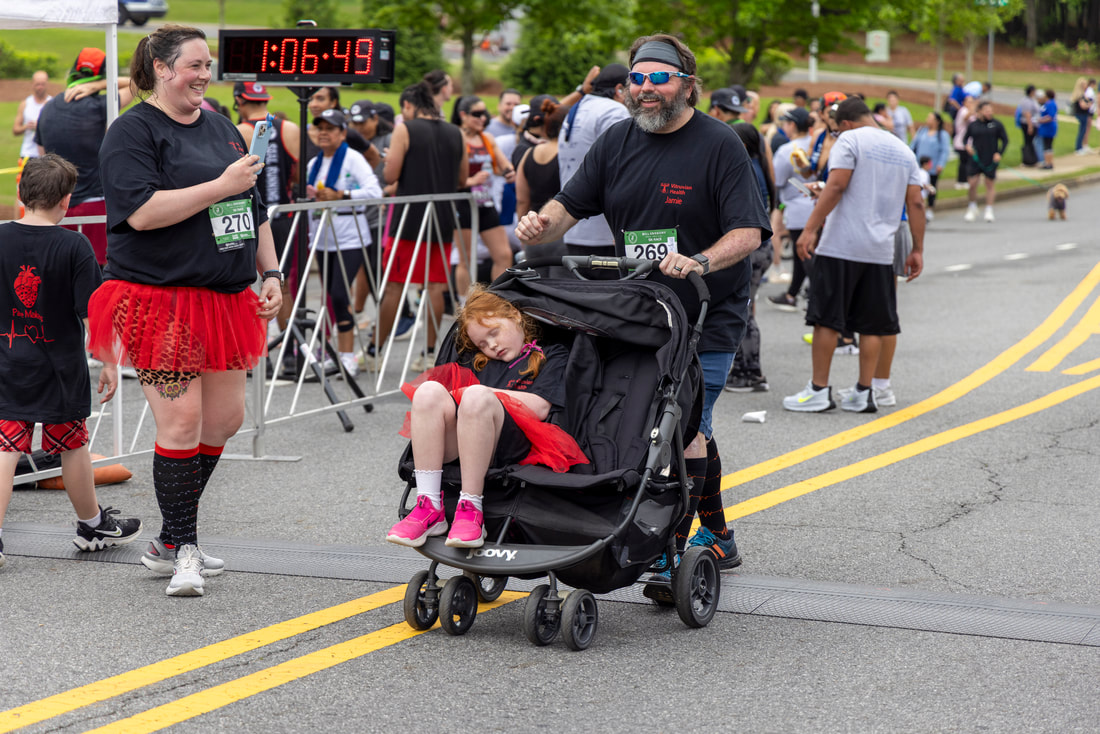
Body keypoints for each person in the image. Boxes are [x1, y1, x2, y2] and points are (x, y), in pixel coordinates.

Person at [517, 33, 771, 570]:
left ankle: (667, 548)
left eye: (659, 78)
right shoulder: (616, 140)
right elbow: (568, 206)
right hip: (639, 311)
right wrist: (541, 225)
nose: (646, 88)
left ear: (688, 85)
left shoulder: (719, 143)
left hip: (705, 311)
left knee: (684, 426)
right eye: (637, 78)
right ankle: (718, 535)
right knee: (663, 424)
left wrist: (700, 260)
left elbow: (749, 231)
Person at [87, 25, 282, 597]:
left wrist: (271, 273)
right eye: (195, 65)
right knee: (180, 422)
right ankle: (185, 549)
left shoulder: (220, 126)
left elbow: (253, 206)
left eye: (207, 65)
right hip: (158, 299)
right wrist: (220, 185)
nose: (204, 75)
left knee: (224, 421)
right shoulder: (131, 131)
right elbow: (142, 213)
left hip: (225, 299)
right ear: (162, 68)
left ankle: (170, 539)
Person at [0, 155, 141, 569]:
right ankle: (92, 524)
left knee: (5, 448)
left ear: (21, 193)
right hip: (60, 367)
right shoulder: (74, 245)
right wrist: (110, 362)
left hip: (7, 362)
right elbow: (92, 314)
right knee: (72, 445)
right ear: (66, 201)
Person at [385, 285, 583, 548]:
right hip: (464, 441)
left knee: (476, 395)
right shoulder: (478, 361)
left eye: (494, 333)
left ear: (514, 316)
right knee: (427, 391)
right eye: (482, 344)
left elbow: (540, 407)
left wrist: (480, 393)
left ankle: (471, 508)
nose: (492, 346)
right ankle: (429, 504)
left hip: (514, 443)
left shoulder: (551, 354)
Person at [783, 98, 924, 414]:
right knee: (872, 324)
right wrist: (917, 249)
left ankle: (819, 389)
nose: (835, 134)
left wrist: (809, 229)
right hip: (881, 249)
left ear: (845, 123)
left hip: (842, 244)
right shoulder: (902, 149)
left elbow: (836, 186)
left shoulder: (849, 141)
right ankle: (864, 391)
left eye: (835, 129)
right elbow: (916, 203)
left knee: (825, 318)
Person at [375, 82, 466, 371]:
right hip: (442, 218)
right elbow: (462, 179)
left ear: (409, 105)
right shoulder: (456, 132)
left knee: (394, 285)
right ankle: (428, 353)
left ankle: (375, 351)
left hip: (409, 219)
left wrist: (390, 160)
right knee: (435, 287)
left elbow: (390, 175)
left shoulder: (405, 129)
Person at [34, 49, 136, 268]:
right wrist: (102, 84)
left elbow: (42, 158)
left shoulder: (48, 108)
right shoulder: (101, 106)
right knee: (97, 273)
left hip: (56, 206)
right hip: (95, 206)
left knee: (60, 273)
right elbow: (138, 84)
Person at [304, 108, 384, 378]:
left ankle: (348, 356)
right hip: (322, 237)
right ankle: (336, 354)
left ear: (342, 133)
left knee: (339, 294)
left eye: (330, 128)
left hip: (350, 237)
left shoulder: (353, 158)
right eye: (320, 128)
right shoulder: (313, 164)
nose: (324, 133)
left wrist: (342, 194)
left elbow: (375, 191)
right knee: (332, 297)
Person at [234, 81, 300, 333]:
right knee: (281, 284)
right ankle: (288, 346)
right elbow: (298, 177)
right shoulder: (290, 128)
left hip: (250, 217)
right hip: (283, 216)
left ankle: (257, 344)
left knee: (246, 285)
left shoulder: (239, 130)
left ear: (239, 100)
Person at [555, 63, 629, 258]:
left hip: (574, 229)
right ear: (619, 90)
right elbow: (620, 170)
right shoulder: (615, 111)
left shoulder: (578, 108)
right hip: (606, 233)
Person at [725, 122, 775, 393]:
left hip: (752, 250)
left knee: (743, 309)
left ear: (742, 144)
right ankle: (747, 369)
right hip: (761, 249)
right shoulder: (757, 166)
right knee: (746, 307)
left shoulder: (747, 169)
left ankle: (749, 372)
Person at [451, 95, 517, 299]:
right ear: (463, 115)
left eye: (484, 114)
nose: (482, 118)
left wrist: (509, 172)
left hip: (485, 201)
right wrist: (470, 181)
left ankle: (497, 302)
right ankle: (465, 306)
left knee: (503, 254)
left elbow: (503, 164)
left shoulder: (487, 138)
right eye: (477, 114)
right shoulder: (455, 136)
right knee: (466, 259)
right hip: (462, 202)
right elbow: (446, 175)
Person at [768, 106, 817, 311]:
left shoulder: (787, 150)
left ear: (793, 125)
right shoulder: (817, 144)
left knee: (805, 254)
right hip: (818, 205)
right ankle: (792, 294)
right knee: (802, 255)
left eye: (786, 124)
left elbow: (777, 180)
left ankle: (818, 298)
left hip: (797, 207)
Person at [515, 98, 562, 221]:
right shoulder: (564, 153)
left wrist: (522, 227)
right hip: (560, 224)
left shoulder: (529, 152)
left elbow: (522, 200)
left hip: (534, 223)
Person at [963, 100, 1009, 223]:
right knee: (972, 183)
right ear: (979, 112)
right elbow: (965, 139)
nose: (989, 113)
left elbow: (1005, 140)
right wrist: (968, 147)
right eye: (986, 110)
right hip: (976, 158)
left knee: (989, 184)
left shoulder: (996, 124)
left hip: (990, 159)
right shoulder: (973, 125)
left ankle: (989, 209)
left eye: (990, 110)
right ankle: (972, 206)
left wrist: (999, 153)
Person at [910, 112, 950, 220]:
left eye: (930, 118)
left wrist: (941, 164)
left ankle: (930, 208)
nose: (927, 120)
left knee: (931, 186)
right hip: (919, 165)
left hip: (932, 166)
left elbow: (945, 151)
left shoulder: (942, 135)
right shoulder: (922, 131)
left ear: (937, 121)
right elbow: (914, 145)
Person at [12, 70, 50, 163]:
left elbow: (59, 129)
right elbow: (15, 130)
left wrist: (41, 127)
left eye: (43, 84)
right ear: (32, 84)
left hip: (46, 155)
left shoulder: (52, 103)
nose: (40, 87)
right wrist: (26, 126)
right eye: (37, 84)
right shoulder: (25, 104)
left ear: (47, 84)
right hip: (27, 154)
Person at [952, 94, 978, 188]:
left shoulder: (970, 113)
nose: (971, 104)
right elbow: (966, 117)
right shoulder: (963, 111)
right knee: (964, 162)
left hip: (969, 142)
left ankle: (965, 180)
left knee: (967, 162)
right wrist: (974, 108)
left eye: (972, 102)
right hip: (961, 142)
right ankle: (961, 181)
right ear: (964, 103)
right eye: (969, 102)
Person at [1015, 85, 1041, 167]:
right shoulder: (1026, 101)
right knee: (1028, 141)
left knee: (1030, 142)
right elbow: (1027, 114)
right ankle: (1027, 160)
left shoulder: (1032, 100)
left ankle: (1032, 159)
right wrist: (1030, 126)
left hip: (1032, 123)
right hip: (1027, 124)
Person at [1070, 77, 1094, 154]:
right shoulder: (1080, 95)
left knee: (1083, 131)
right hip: (1082, 114)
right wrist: (1089, 104)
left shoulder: (1082, 94)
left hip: (1082, 114)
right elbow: (1083, 106)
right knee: (1082, 131)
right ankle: (1078, 148)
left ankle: (1081, 147)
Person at [1037, 89, 1058, 170]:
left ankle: (1048, 163)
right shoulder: (1048, 103)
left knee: (1047, 145)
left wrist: (1041, 120)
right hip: (1046, 128)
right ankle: (1048, 162)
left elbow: (1050, 116)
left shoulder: (1050, 104)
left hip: (1048, 128)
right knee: (1047, 146)